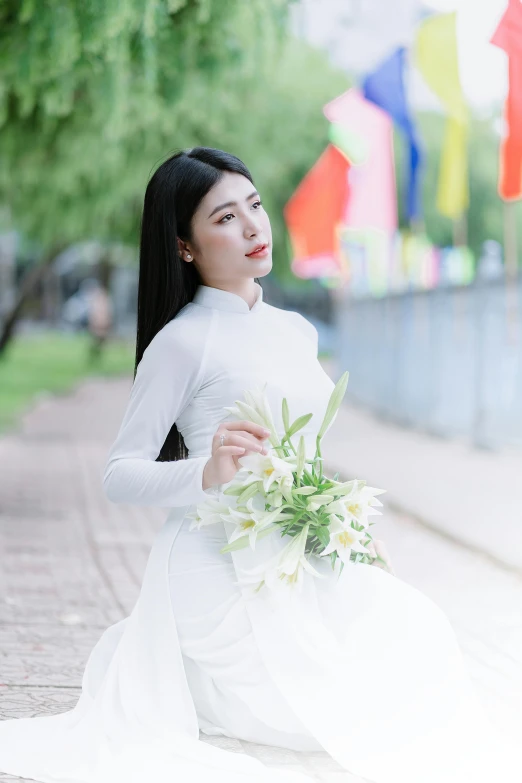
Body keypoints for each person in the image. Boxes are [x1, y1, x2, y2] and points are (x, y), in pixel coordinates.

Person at [0, 147, 519, 783]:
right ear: (184, 246)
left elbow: (306, 460)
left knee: (422, 638)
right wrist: (207, 472)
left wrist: (346, 532)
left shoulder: (296, 330)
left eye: (255, 206)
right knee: (328, 716)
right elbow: (119, 472)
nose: (252, 228)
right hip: (215, 571)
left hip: (295, 559)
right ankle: (193, 676)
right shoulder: (183, 339)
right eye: (223, 217)